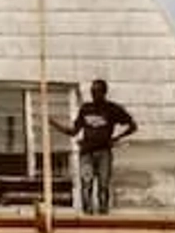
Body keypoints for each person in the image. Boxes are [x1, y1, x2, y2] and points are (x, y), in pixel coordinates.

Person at [50, 78, 137, 215]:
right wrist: (54, 124)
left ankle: (103, 216)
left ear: (104, 92)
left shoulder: (112, 109)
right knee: (86, 185)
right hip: (86, 153)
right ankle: (87, 216)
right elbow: (74, 132)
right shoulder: (86, 108)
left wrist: (117, 138)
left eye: (97, 91)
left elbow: (132, 126)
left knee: (103, 185)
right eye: (92, 91)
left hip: (104, 152)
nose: (94, 94)